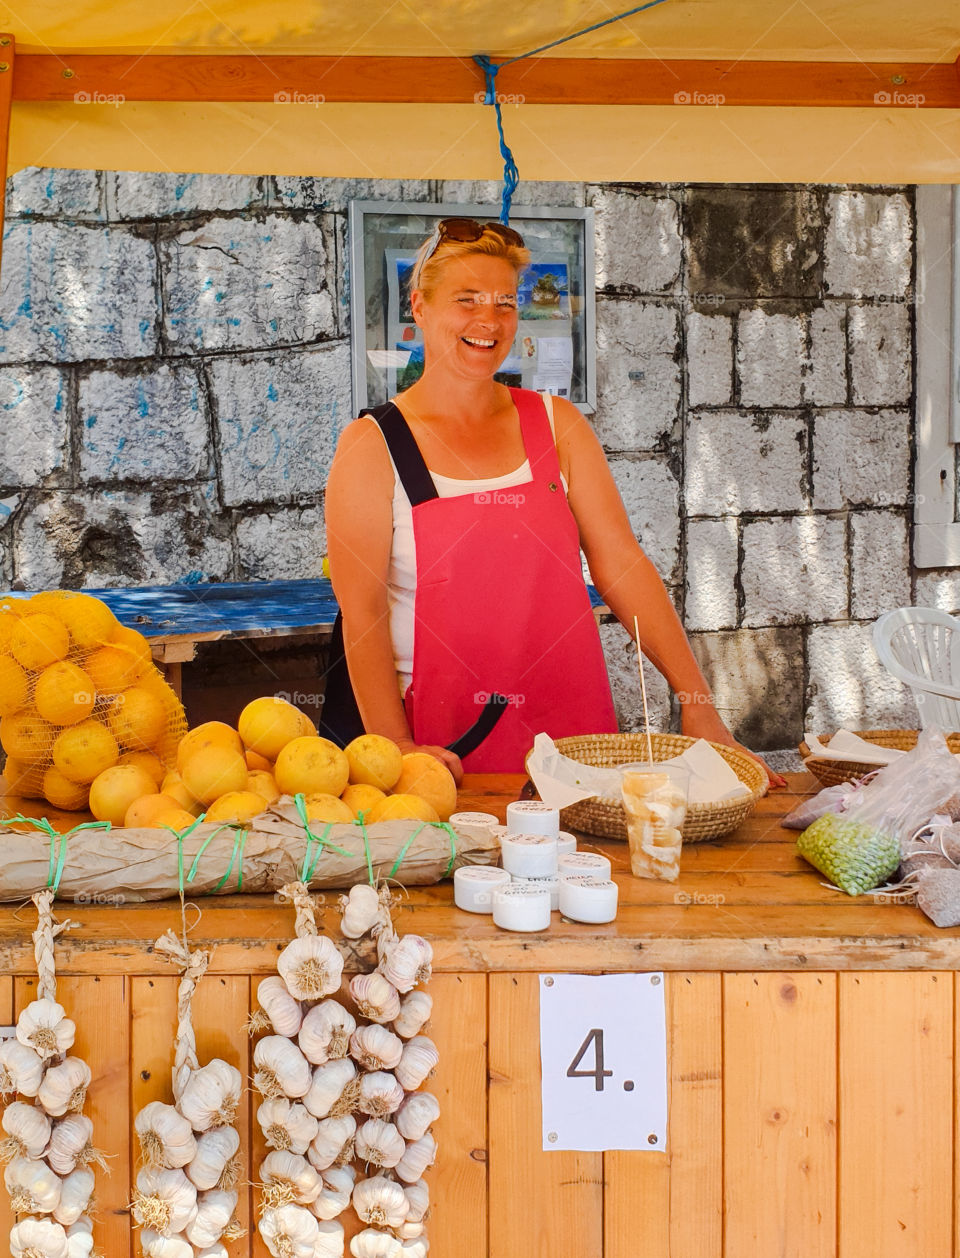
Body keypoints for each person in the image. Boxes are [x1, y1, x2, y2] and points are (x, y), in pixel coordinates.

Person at [325, 218, 783, 787]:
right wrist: (396, 746)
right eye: (466, 301)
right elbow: (362, 611)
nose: (488, 321)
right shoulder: (373, 446)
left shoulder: (555, 424)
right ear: (418, 307)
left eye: (504, 303)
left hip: (573, 738)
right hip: (442, 752)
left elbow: (622, 564)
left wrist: (697, 703)